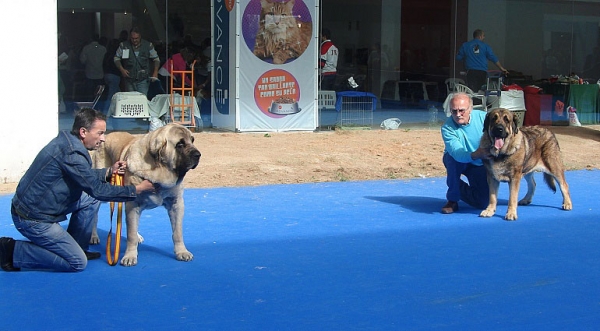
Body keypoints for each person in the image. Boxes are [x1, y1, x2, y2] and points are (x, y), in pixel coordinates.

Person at [0, 109, 155, 272]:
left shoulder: (68, 142)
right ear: (83, 132)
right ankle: (11, 250)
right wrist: (136, 189)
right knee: (76, 262)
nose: (103, 139)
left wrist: (109, 172)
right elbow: (98, 190)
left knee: (90, 200)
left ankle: (77, 246)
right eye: (100, 133)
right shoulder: (73, 153)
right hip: (32, 219)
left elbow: (84, 176)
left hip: (36, 208)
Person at [440, 92, 490, 214]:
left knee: (482, 203)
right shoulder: (447, 128)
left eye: (461, 110)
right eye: (453, 111)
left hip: (479, 161)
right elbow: (458, 153)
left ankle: (456, 185)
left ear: (471, 109)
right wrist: (477, 154)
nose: (457, 115)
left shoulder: (485, 118)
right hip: (459, 158)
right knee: (452, 159)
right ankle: (452, 199)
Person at [114, 26, 161, 98]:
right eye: (132, 38)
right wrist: (122, 69)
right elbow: (116, 58)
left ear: (140, 36)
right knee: (130, 100)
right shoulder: (123, 45)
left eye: (136, 38)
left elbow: (156, 59)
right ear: (130, 37)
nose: (134, 40)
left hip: (143, 79)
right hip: (129, 78)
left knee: (142, 99)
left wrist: (155, 72)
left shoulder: (148, 45)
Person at [79, 34, 107, 99]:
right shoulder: (103, 49)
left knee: (89, 94)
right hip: (100, 74)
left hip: (89, 73)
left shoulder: (86, 48)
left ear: (91, 39)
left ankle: (90, 107)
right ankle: (99, 108)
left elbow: (82, 60)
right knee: (99, 95)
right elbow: (105, 61)